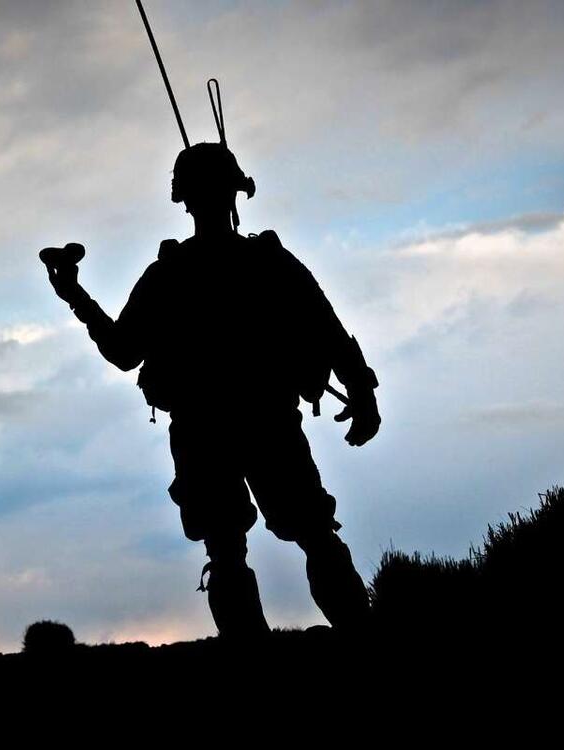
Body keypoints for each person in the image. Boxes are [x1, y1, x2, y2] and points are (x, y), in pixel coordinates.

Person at [41, 142, 381, 642]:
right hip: (266, 421)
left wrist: (74, 293)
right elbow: (328, 332)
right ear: (236, 192)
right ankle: (365, 643)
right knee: (313, 535)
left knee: (229, 551)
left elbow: (122, 351)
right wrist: (362, 393)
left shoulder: (169, 274)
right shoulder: (269, 262)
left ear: (183, 199)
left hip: (204, 429)